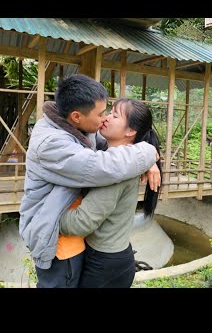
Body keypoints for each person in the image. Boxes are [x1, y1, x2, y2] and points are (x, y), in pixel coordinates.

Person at [19, 74, 161, 288]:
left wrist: (145, 154)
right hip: (57, 241)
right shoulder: (53, 143)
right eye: (103, 113)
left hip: (83, 247)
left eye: (112, 114)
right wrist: (148, 152)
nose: (105, 119)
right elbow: (101, 165)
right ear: (77, 116)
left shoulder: (75, 127)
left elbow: (111, 148)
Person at [59, 98, 161, 288]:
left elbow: (81, 223)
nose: (106, 118)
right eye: (108, 112)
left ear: (130, 131)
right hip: (113, 256)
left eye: (115, 115)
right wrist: (150, 160)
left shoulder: (118, 171)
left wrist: (45, 217)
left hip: (105, 265)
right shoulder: (117, 158)